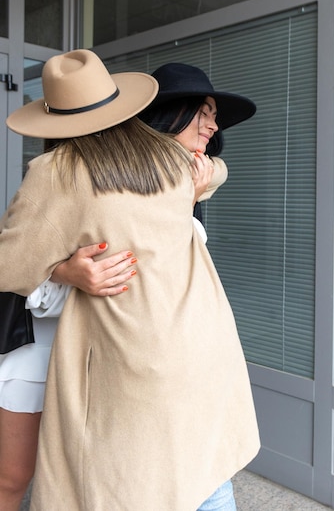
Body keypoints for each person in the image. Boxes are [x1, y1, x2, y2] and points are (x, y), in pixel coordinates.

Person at [0, 49, 260, 510]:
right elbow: (217, 168)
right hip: (205, 354)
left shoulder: (57, 172)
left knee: (121, 482)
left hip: (134, 365)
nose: (210, 127)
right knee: (203, 474)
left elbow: (8, 265)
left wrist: (60, 267)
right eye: (203, 115)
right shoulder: (177, 163)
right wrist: (200, 187)